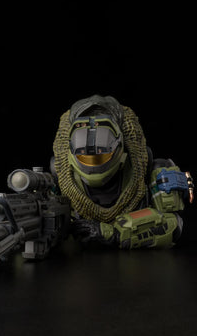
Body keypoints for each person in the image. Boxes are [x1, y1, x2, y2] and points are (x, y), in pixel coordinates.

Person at [52, 95, 194, 248]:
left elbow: (173, 224)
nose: (93, 161)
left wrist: (114, 234)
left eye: (101, 154)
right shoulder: (60, 172)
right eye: (85, 154)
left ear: (120, 148)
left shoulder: (146, 166)